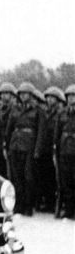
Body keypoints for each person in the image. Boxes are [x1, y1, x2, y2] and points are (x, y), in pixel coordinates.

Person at [5, 82, 44, 215]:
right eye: (21, 94)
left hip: (29, 147)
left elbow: (41, 132)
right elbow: (9, 129)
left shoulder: (38, 110)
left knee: (28, 177)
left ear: (31, 95)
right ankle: (18, 205)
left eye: (26, 94)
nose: (23, 96)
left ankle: (28, 206)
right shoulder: (15, 109)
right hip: (15, 145)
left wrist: (37, 150)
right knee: (16, 177)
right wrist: (7, 145)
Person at [54, 85, 75, 219]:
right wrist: (55, 147)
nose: (71, 99)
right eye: (69, 96)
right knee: (65, 181)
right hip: (64, 150)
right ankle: (68, 210)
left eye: (73, 96)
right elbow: (57, 132)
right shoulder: (62, 113)